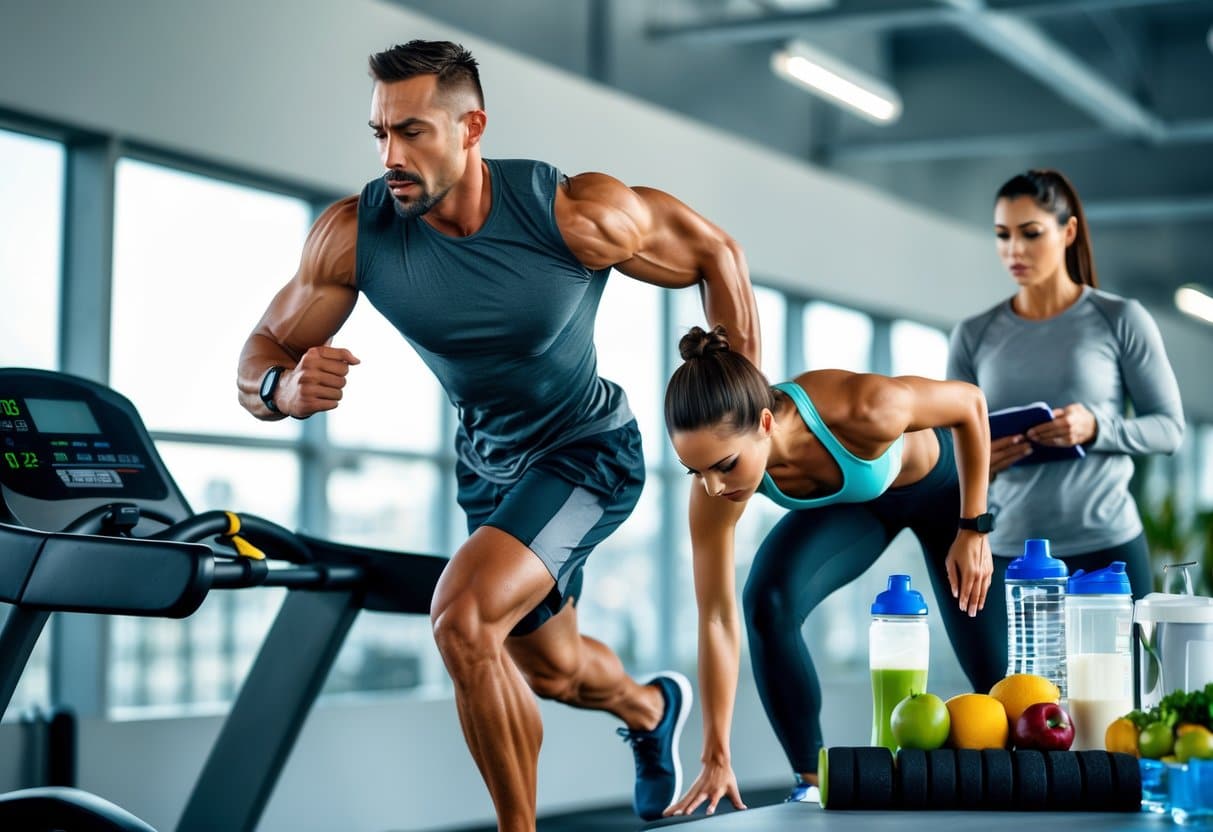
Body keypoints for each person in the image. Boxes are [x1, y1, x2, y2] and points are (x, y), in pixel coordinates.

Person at [236, 40, 761, 829]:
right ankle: (651, 710)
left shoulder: (574, 214)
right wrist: (282, 388)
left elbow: (715, 252)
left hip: (588, 453)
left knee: (462, 616)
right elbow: (260, 353)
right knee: (551, 671)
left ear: (471, 126)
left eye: (412, 131)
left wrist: (741, 414)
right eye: (379, 134)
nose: (391, 155)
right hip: (490, 470)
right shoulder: (354, 235)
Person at [661, 324, 993, 816]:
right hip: (857, 505)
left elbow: (970, 404)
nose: (712, 487)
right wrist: (715, 753)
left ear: (767, 424)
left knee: (994, 674)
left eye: (725, 465)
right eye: (697, 471)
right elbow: (715, 617)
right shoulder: (716, 486)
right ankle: (812, 782)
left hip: (938, 492)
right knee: (768, 602)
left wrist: (974, 528)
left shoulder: (864, 406)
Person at [947, 168, 1184, 668]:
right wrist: (983, 464)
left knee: (1126, 709)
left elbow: (1169, 428)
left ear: (1068, 232)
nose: (1015, 250)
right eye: (1003, 235)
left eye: (1031, 233)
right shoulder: (973, 335)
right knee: (1018, 720)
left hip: (1107, 548)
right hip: (1010, 557)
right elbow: (952, 454)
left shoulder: (1119, 319)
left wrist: (1098, 428)